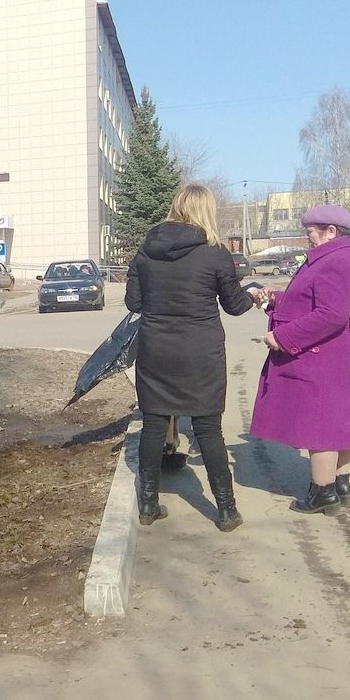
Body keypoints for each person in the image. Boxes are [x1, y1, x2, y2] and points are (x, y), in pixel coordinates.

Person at [125, 184, 255, 531]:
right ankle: (226, 510)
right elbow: (235, 306)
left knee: (154, 424)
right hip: (201, 352)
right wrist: (253, 295)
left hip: (156, 350)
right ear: (205, 211)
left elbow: (133, 303)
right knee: (208, 428)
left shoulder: (146, 251)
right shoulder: (214, 253)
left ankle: (149, 505)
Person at [249, 204, 350, 515]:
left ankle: (323, 493)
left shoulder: (335, 262)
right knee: (340, 425)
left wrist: (282, 337)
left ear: (331, 232)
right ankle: (340, 486)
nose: (307, 239)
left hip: (326, 356)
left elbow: (331, 314)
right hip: (336, 353)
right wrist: (275, 300)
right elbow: (312, 302)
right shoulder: (334, 258)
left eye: (310, 233)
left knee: (319, 427)